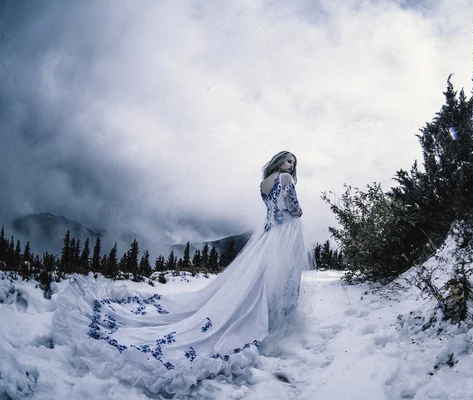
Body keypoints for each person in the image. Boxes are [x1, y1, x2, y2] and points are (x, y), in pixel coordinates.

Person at [53, 151, 314, 395]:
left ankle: (261, 315)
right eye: (288, 160)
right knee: (280, 278)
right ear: (279, 161)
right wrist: (299, 212)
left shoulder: (264, 183)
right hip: (282, 234)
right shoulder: (285, 178)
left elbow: (272, 208)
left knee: (258, 280)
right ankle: (272, 319)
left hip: (268, 234)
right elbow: (294, 207)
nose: (291, 165)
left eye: (293, 162)